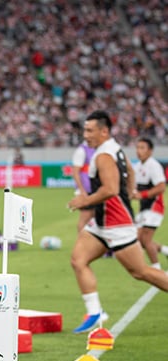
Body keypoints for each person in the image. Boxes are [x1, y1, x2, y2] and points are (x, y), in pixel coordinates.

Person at [67, 110, 168, 334]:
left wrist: (84, 200)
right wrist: (130, 191)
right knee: (78, 260)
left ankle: (95, 312)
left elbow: (110, 189)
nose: (85, 135)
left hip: (116, 224)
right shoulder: (115, 149)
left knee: (141, 272)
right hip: (101, 223)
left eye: (90, 130)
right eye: (85, 130)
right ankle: (95, 313)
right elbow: (130, 172)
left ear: (104, 131)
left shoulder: (103, 155)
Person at [131, 137, 168, 268]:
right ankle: (165, 250)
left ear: (150, 151)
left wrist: (142, 195)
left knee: (145, 240)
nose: (138, 151)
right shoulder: (137, 166)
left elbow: (161, 187)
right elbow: (134, 187)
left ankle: (156, 270)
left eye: (142, 148)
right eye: (137, 148)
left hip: (154, 207)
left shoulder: (154, 166)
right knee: (139, 240)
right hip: (144, 208)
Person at [71, 140, 96, 232]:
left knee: (94, 217)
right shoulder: (82, 150)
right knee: (86, 216)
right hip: (86, 189)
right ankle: (82, 243)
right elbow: (75, 172)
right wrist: (82, 191)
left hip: (94, 189)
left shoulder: (96, 148)